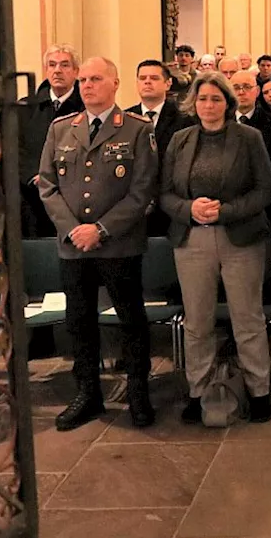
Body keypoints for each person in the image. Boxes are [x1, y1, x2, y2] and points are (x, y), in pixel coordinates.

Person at [37, 57, 158, 431]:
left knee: (131, 321)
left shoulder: (137, 129)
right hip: (74, 246)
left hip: (118, 245)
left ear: (115, 84)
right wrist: (73, 228)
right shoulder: (61, 129)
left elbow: (142, 192)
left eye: (96, 79)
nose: (88, 85)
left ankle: (138, 393)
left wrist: (101, 229)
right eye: (84, 79)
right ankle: (88, 393)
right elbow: (46, 184)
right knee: (79, 322)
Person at [161, 71, 271, 425]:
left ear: (227, 103)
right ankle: (199, 391)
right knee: (197, 321)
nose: (208, 105)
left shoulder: (249, 138)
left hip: (240, 237)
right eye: (202, 99)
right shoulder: (180, 140)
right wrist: (189, 209)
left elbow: (264, 189)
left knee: (248, 319)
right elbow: (164, 193)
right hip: (192, 238)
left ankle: (259, 392)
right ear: (193, 104)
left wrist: (225, 212)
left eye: (215, 99)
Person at [126, 59, 195, 236]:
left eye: (154, 78)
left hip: (170, 204)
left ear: (168, 83)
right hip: (132, 205)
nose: (147, 82)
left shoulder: (185, 119)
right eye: (142, 78)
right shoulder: (125, 118)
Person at [21, 44, 84, 238]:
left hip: (74, 197)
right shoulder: (24, 108)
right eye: (52, 65)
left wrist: (55, 177)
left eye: (65, 65)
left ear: (76, 71)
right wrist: (35, 175)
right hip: (30, 197)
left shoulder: (86, 108)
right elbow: (15, 149)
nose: (57, 70)